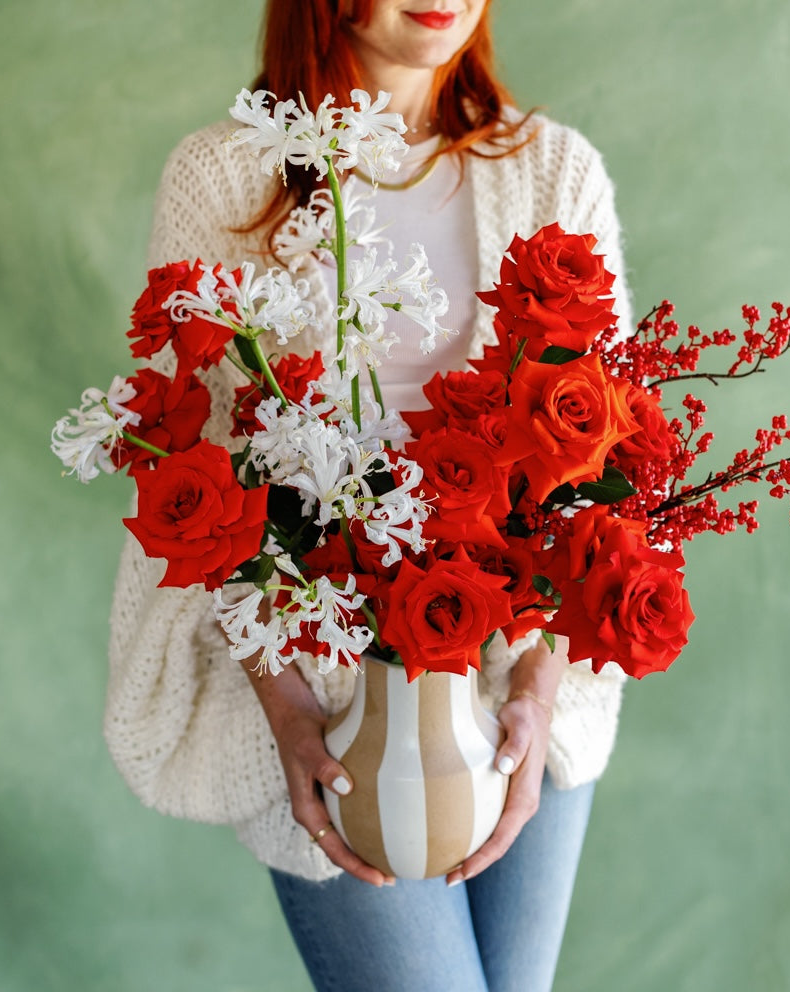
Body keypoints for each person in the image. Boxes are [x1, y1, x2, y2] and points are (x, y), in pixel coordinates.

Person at [106, 2, 632, 988]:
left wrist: (536, 686)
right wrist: (286, 704)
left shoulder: (553, 171)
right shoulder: (225, 179)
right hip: (327, 695)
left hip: (512, 666)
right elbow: (202, 468)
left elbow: (595, 463)